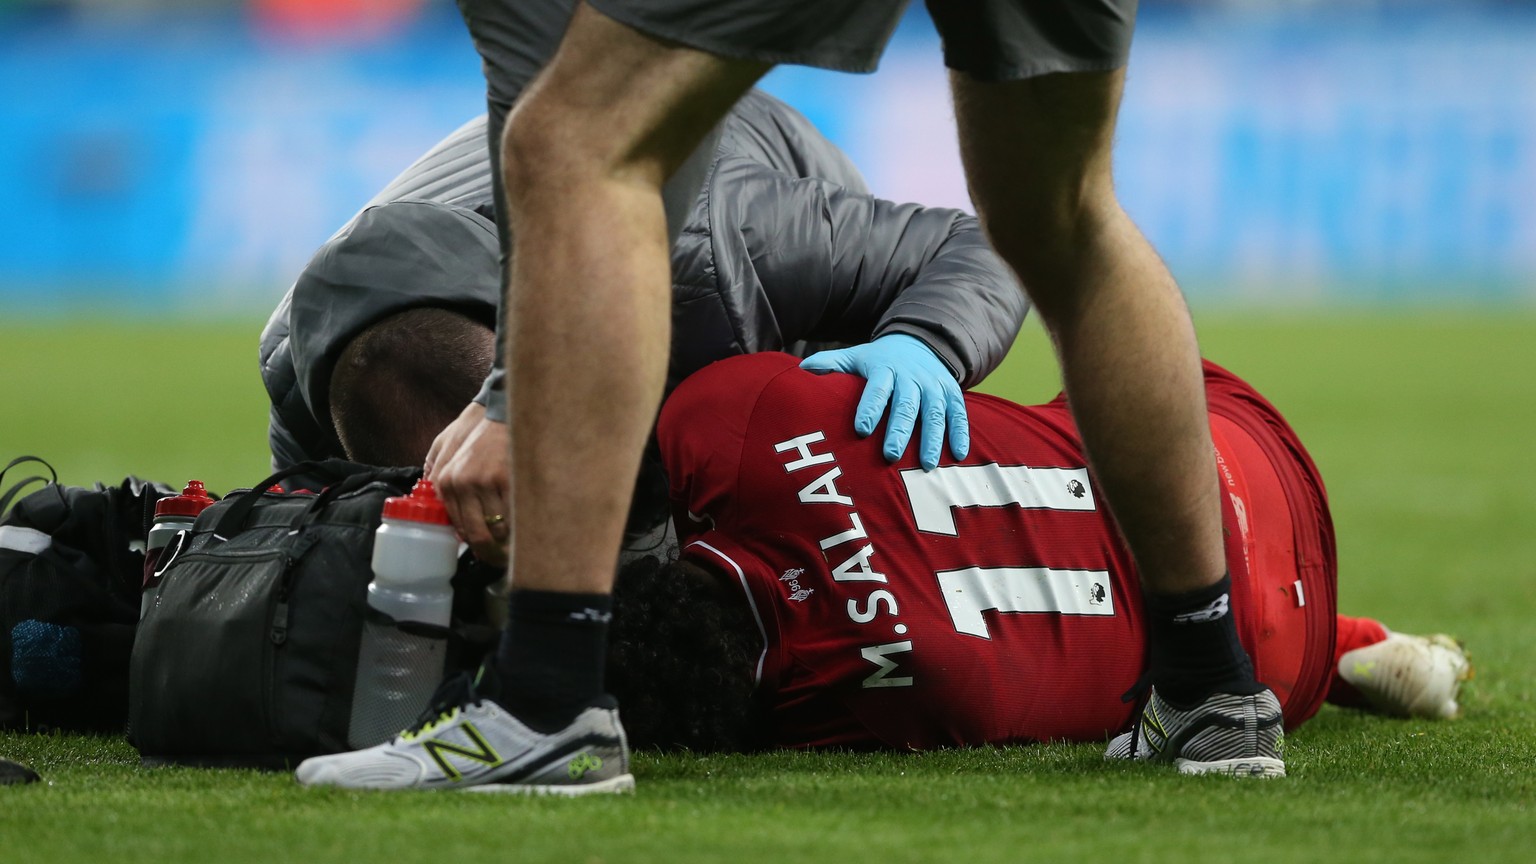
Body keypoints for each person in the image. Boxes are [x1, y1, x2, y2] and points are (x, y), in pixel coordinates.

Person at [384, 0, 1272, 791]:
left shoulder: (750, 233)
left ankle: (546, 705)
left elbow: (562, 103)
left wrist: (510, 402)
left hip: (754, 249)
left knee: (578, 142)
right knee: (1067, 212)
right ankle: (1212, 682)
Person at [294, 351, 1472, 787]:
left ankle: (1361, 639)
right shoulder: (736, 419)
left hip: (1292, 655)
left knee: (1051, 628)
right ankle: (1345, 636)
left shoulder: (834, 706)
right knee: (1055, 427)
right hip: (1235, 443)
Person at [259, 101, 1027, 563]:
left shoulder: (722, 238)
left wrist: (926, 343)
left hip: (732, 186)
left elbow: (990, 244)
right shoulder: (303, 382)